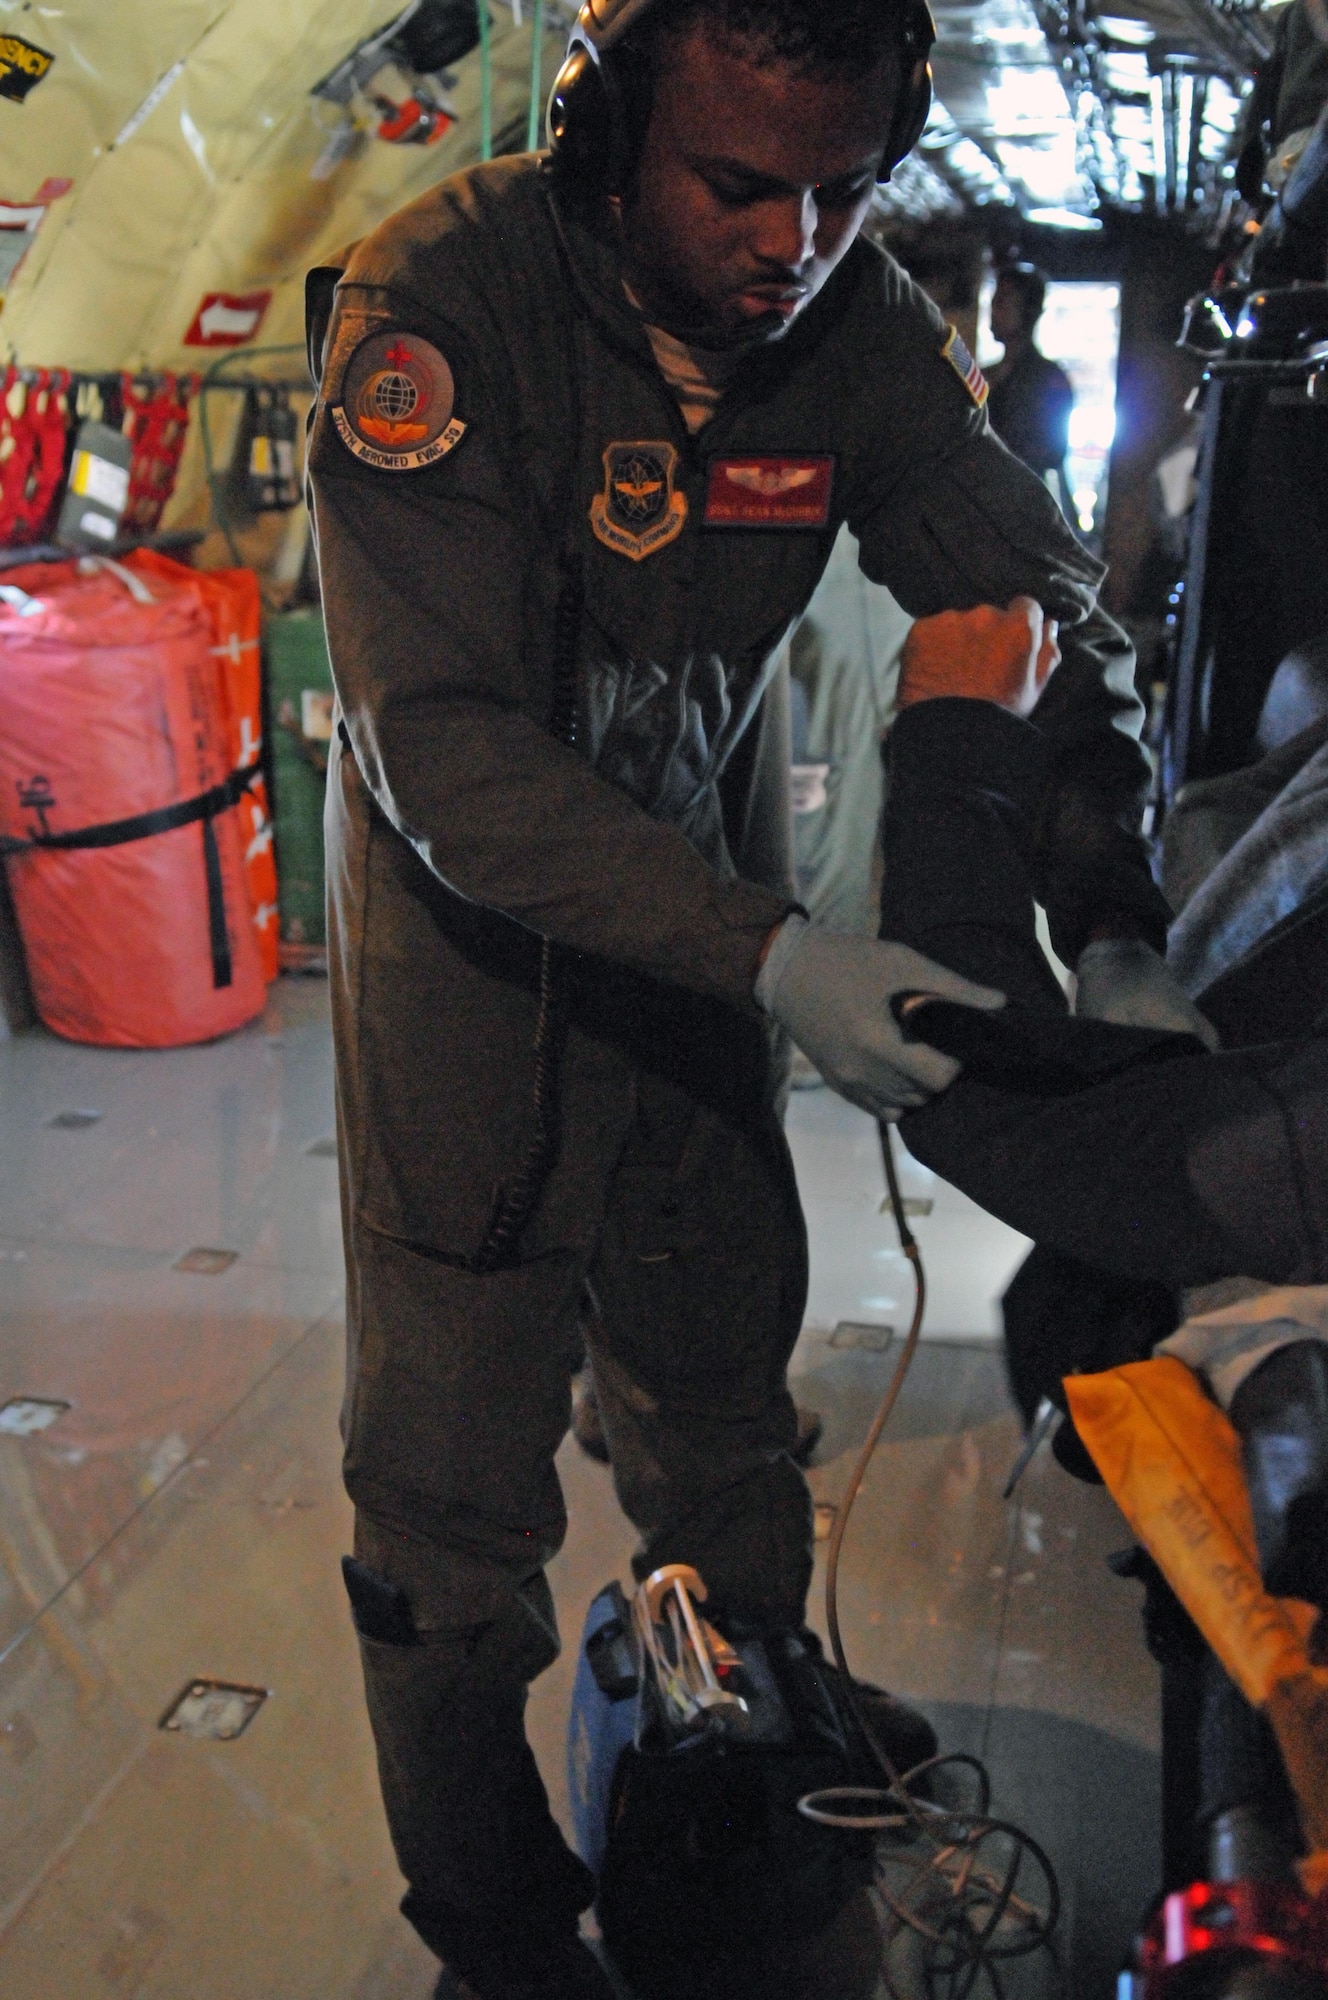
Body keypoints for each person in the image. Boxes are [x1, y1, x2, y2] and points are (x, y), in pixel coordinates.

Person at [303, 2, 1208, 1992]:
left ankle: (767, 1728)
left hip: (696, 969)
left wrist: (1114, 908)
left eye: (840, 184)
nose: (791, 237)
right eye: (735, 183)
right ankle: (496, 1915)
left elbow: (1021, 596)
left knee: (719, 1400)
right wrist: (782, 958)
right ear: (602, 130)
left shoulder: (844, 335)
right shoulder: (441, 312)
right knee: (451, 1508)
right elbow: (439, 751)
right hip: (475, 990)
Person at [985, 262, 1075, 509]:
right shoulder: (982, 375)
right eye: (994, 300)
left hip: (1023, 505)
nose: (994, 309)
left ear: (1028, 311)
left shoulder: (1049, 380)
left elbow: (1054, 452)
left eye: (1003, 301)